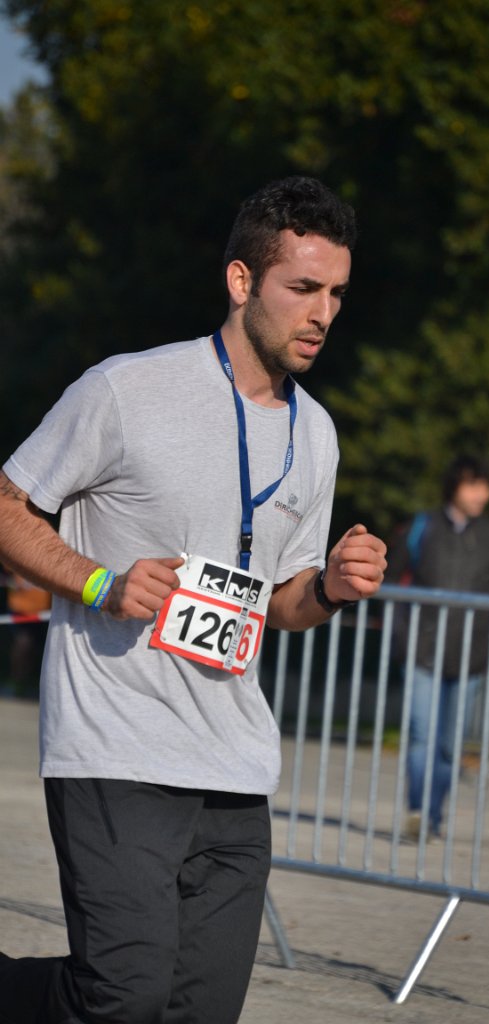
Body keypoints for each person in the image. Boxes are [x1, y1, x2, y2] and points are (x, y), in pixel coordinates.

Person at [0, 175, 387, 1024]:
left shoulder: (316, 434)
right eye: (303, 288)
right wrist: (99, 582)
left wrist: (330, 587)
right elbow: (8, 507)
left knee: (201, 1010)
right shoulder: (126, 390)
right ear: (242, 280)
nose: (322, 314)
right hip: (116, 748)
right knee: (122, 996)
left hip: (233, 764)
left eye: (336, 294)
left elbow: (280, 603)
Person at [386, 454, 489, 839]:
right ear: (454, 486)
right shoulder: (422, 527)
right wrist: (402, 636)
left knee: (449, 745)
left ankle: (434, 815)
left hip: (472, 658)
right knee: (421, 736)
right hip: (421, 652)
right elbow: (390, 581)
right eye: (474, 484)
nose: (483, 493)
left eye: (486, 485)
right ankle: (417, 813)